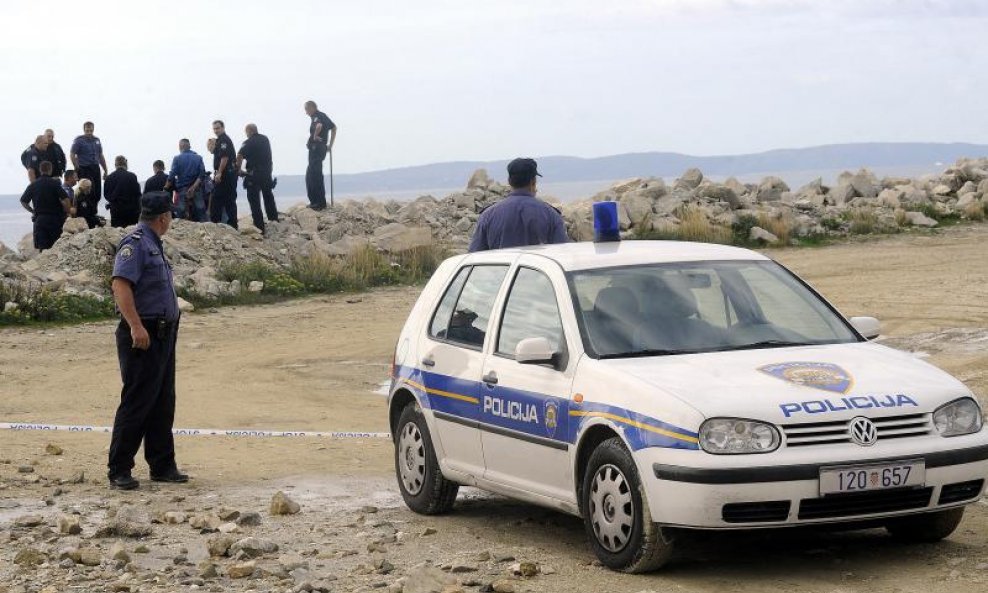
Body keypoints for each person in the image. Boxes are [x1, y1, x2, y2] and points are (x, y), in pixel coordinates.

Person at [107, 192, 187, 490]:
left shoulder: (154, 244)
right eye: (170, 216)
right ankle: (119, 469)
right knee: (138, 401)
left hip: (164, 332)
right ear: (163, 218)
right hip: (145, 334)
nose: (171, 221)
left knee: (163, 401)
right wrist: (136, 326)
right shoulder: (136, 244)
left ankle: (162, 465)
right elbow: (121, 285)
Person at [468, 158, 568, 252]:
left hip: (501, 270)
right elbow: (562, 254)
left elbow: (474, 256)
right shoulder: (551, 215)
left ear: (509, 181)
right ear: (533, 182)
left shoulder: (488, 215)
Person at [19, 161, 72, 251]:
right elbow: (66, 199)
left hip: (40, 220)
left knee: (42, 249)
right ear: (50, 170)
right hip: (55, 220)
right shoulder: (55, 184)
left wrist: (33, 211)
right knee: (56, 248)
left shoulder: (34, 185)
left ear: (40, 170)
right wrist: (67, 211)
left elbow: (23, 201)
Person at [237, 123, 279, 233]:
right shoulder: (265, 139)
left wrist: (238, 170)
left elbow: (239, 155)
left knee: (254, 201)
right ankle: (273, 218)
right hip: (266, 173)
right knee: (268, 196)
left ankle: (260, 226)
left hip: (253, 175)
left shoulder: (248, 142)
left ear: (249, 131)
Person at [303, 100, 337, 210]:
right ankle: (316, 201)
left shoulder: (316, 116)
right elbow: (334, 128)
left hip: (316, 148)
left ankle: (319, 203)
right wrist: (330, 145)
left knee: (314, 175)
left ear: (312, 108)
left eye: (306, 109)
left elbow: (319, 126)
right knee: (312, 175)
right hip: (321, 148)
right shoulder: (323, 115)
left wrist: (314, 136)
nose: (306, 112)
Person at [70, 121, 108, 214]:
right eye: (87, 130)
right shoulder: (79, 140)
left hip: (95, 168)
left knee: (97, 193)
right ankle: (86, 213)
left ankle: (94, 213)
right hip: (84, 169)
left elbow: (100, 155)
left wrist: (105, 169)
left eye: (91, 130)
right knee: (87, 192)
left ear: (93, 129)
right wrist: (76, 167)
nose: (89, 132)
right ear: (84, 129)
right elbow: (72, 154)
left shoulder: (97, 140)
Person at [164, 139, 206, 221]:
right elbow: (202, 174)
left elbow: (172, 174)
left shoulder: (177, 158)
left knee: (181, 212)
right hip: (197, 188)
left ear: (180, 146)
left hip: (182, 188)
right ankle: (204, 230)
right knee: (200, 211)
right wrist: (193, 187)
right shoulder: (198, 158)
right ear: (189, 146)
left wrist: (166, 187)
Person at [209, 120, 238, 228]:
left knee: (218, 200)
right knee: (226, 200)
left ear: (223, 128)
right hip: (227, 174)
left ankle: (217, 224)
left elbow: (224, 157)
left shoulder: (224, 140)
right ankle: (230, 225)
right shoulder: (220, 140)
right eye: (214, 129)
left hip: (226, 175)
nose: (216, 130)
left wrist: (219, 173)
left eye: (218, 128)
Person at [105, 156, 143, 227]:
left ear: (115, 165)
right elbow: (137, 194)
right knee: (131, 234)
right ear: (126, 164)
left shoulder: (109, 178)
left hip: (116, 211)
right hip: (131, 211)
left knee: (118, 234)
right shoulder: (132, 176)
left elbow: (106, 195)